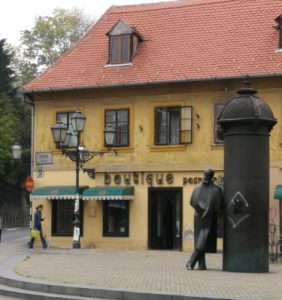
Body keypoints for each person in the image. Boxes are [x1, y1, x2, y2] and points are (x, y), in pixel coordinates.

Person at [186, 169, 223, 270]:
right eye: (205, 174)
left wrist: (217, 218)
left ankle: (191, 261)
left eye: (208, 175)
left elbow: (219, 206)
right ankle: (201, 265)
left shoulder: (216, 190)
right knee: (199, 239)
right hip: (198, 216)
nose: (206, 176)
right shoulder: (197, 188)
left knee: (202, 240)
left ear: (212, 176)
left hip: (208, 217)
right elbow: (192, 201)